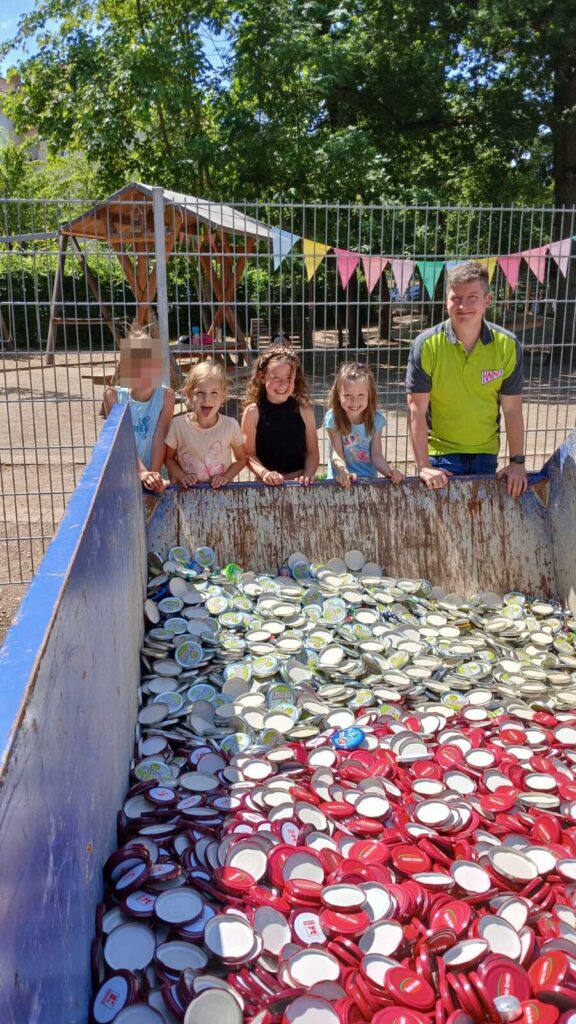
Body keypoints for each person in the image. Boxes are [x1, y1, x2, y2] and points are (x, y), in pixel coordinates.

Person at [406, 261, 528, 499]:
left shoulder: (507, 345)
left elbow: (512, 409)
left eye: (472, 297)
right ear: (446, 302)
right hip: (441, 457)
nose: (463, 305)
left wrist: (517, 463)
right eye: (456, 298)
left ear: (487, 300)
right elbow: (416, 410)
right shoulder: (426, 345)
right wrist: (423, 466)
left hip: (486, 454)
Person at [104, 329, 174, 493]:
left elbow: (160, 436)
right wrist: (142, 472)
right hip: (124, 473)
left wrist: (153, 474)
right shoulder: (113, 396)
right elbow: (122, 440)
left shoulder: (167, 396)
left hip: (156, 471)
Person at [241, 346, 319, 486]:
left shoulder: (304, 411)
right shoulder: (252, 412)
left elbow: (312, 452)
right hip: (265, 484)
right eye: (276, 377)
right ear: (262, 377)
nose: (283, 384)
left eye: (289, 378)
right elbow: (248, 455)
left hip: (299, 483)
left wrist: (308, 476)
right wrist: (265, 474)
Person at [165, 360, 246, 489]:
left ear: (223, 395)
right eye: (200, 393)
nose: (207, 399)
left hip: (221, 495)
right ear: (189, 394)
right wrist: (182, 476)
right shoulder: (178, 425)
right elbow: (168, 459)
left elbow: (241, 459)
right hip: (187, 494)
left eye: (214, 393)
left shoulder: (230, 426)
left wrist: (226, 477)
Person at [324, 362, 403, 488]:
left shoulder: (376, 420)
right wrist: (343, 471)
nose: (354, 401)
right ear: (339, 395)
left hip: (368, 481)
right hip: (340, 480)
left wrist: (390, 472)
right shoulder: (333, 418)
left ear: (369, 395)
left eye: (361, 395)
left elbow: (376, 455)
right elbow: (337, 452)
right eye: (348, 395)